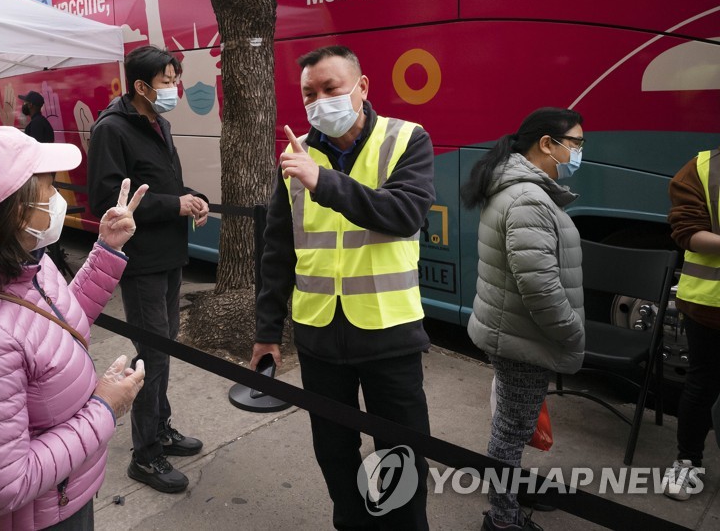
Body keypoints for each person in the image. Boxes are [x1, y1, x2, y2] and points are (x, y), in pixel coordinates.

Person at [0, 126, 148, 531]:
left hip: (63, 497)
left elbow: (54, 324)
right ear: (14, 209)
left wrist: (108, 249)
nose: (57, 199)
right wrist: (106, 408)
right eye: (49, 187)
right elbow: (0, 489)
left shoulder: (23, 263)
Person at [252, 45, 435, 530]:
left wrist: (324, 181)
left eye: (330, 89)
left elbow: (403, 214)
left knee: (402, 454)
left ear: (362, 86)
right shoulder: (297, 159)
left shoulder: (407, 140)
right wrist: (267, 330)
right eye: (309, 94)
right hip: (318, 337)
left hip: (388, 334)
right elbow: (278, 250)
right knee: (334, 450)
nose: (319, 103)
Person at [87, 45, 208, 494]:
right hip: (140, 265)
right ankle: (146, 455)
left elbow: (162, 187)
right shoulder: (111, 130)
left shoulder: (161, 122)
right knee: (151, 357)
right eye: (166, 81)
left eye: (175, 79)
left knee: (163, 350)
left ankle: (160, 427)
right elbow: (106, 203)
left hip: (170, 256)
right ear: (140, 86)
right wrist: (171, 204)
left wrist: (190, 198)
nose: (174, 88)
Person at [461, 107, 586, 531]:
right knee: (512, 429)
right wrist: (572, 332)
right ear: (547, 144)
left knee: (511, 422)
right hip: (522, 337)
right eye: (576, 143)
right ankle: (503, 519)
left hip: (512, 330)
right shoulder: (528, 199)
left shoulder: (517, 188)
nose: (580, 152)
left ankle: (509, 492)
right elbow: (540, 289)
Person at [660, 145, 720, 501]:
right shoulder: (702, 167)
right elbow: (686, 231)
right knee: (702, 384)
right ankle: (688, 462)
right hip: (709, 306)